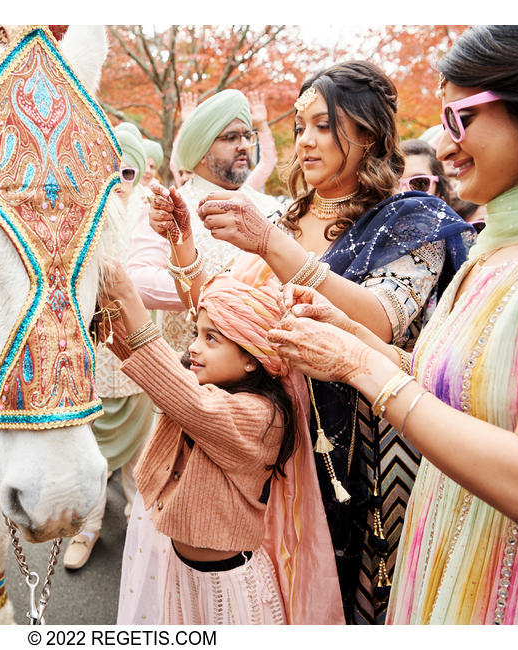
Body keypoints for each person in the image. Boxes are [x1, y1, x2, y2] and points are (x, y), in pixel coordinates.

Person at [149, 61, 474, 623]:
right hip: (271, 440)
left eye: (323, 125)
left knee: (355, 593)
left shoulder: (412, 220)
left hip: (361, 447)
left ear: (368, 132)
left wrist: (273, 244)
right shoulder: (287, 214)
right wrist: (182, 244)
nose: (304, 141)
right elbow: (232, 320)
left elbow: (379, 319)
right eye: (299, 126)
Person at [268, 25, 518, 625]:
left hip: (509, 583)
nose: (442, 144)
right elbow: (444, 384)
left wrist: (359, 364)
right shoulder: (487, 254)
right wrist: (347, 337)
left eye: (460, 119)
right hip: (433, 549)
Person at [101, 256, 342, 624]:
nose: (194, 347)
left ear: (251, 358)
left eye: (211, 338)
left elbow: (192, 404)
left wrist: (131, 302)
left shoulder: (262, 416)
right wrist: (105, 307)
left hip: (228, 591)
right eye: (197, 334)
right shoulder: (205, 386)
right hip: (182, 576)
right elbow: (149, 364)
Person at [126, 90, 283, 363]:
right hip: (190, 377)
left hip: (263, 375)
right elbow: (137, 280)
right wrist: (216, 291)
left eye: (248, 136)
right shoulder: (169, 205)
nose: (244, 145)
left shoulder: (272, 208)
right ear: (200, 149)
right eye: (231, 137)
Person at [63, 126, 155, 570]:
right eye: (110, 168)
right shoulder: (80, 214)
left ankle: (143, 532)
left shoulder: (150, 214)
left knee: (141, 456)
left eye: (128, 169)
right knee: (92, 452)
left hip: (137, 351)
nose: (118, 178)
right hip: (93, 358)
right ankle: (87, 528)